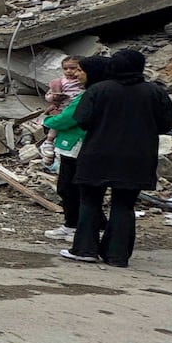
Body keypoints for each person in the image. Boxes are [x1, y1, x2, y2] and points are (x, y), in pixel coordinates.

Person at [63, 49, 172, 267]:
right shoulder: (155, 92)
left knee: (90, 201)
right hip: (137, 156)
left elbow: (82, 120)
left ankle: (85, 249)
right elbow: (167, 124)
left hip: (98, 153)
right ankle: (117, 256)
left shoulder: (98, 90)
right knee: (124, 205)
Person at [40, 56, 111, 245]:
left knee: (76, 189)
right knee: (67, 188)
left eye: (80, 70)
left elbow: (69, 118)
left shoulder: (91, 95)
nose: (76, 74)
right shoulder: (88, 92)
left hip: (78, 146)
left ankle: (90, 226)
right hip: (71, 146)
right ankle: (71, 224)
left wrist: (47, 122)